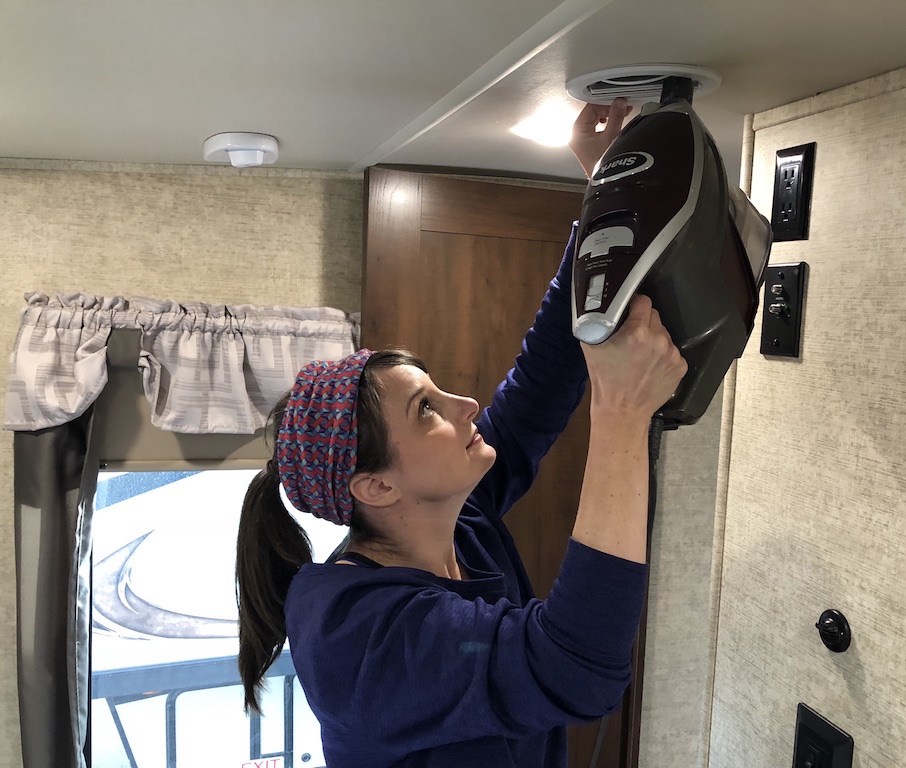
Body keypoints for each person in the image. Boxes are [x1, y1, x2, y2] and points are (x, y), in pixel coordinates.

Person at [235, 98, 688, 768]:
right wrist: (621, 413)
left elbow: (537, 385)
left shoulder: (461, 525)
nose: (466, 403)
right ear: (375, 484)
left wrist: (603, 195)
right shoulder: (357, 633)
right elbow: (576, 668)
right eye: (425, 409)